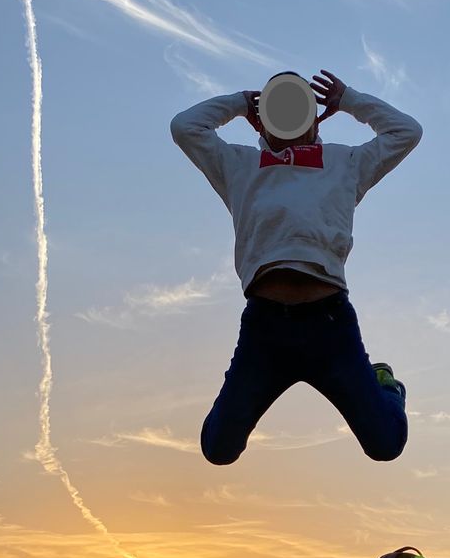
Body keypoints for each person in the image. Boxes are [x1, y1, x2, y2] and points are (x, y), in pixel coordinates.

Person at [169, 69, 422, 465]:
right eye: (278, 105)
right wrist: (240, 103)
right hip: (265, 328)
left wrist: (349, 100)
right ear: (263, 120)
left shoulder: (344, 162)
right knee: (218, 448)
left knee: (385, 444)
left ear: (313, 120)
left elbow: (406, 132)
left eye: (296, 105)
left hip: (329, 325)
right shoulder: (240, 166)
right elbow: (185, 127)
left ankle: (385, 386)